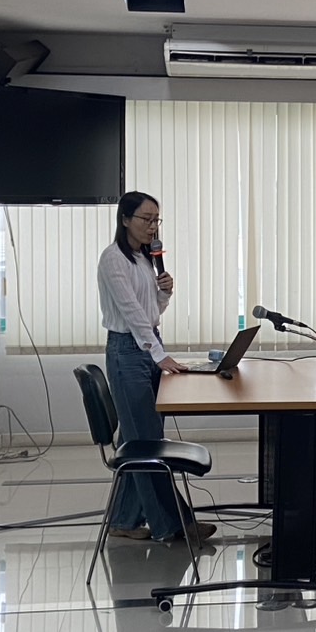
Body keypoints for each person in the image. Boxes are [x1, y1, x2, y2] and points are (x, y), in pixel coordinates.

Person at [97, 191, 214, 543]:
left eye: (156, 220)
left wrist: (164, 292)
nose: (152, 227)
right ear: (125, 220)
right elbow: (133, 315)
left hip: (146, 345)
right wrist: (158, 355)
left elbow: (151, 312)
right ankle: (174, 525)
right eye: (146, 219)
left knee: (138, 442)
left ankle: (123, 521)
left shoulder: (144, 259)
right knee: (148, 445)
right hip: (127, 351)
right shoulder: (113, 259)